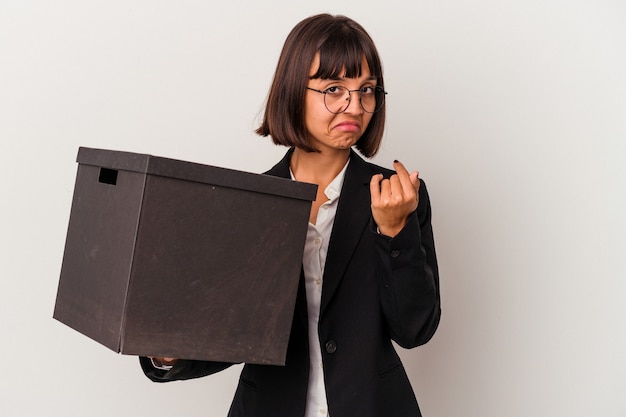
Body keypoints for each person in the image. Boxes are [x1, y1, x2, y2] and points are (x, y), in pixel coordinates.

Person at [140, 13, 441, 417]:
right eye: (334, 88)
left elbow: (414, 330)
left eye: (366, 89)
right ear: (292, 91)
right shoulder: (249, 203)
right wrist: (169, 353)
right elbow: (235, 334)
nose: (355, 105)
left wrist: (393, 232)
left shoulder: (398, 196)